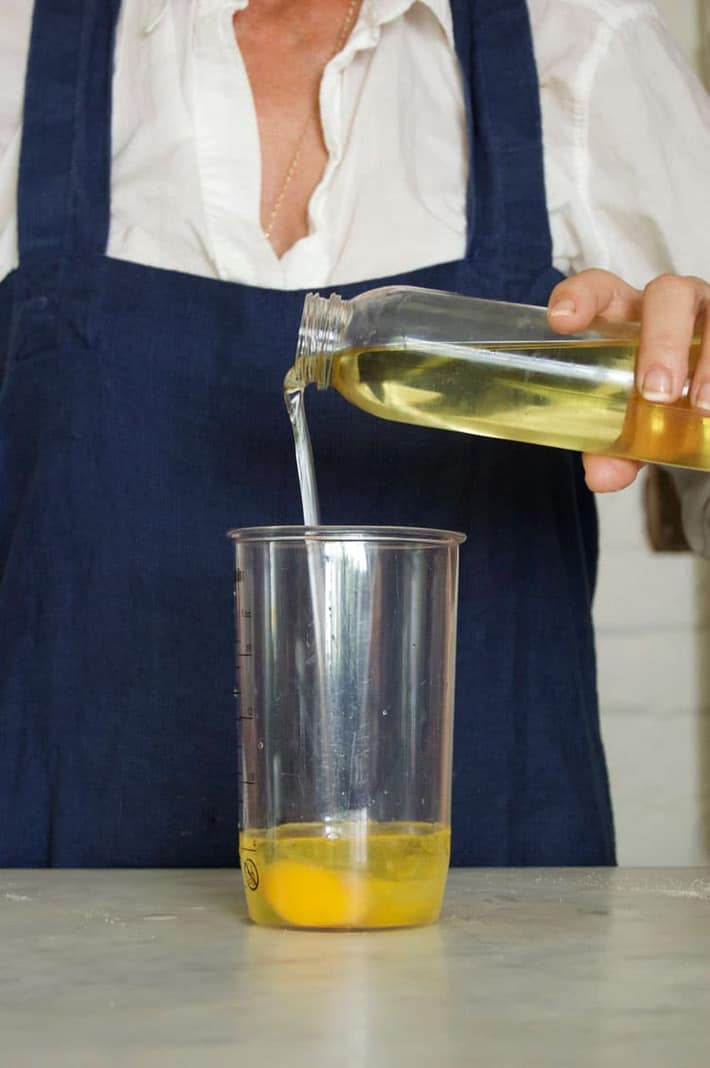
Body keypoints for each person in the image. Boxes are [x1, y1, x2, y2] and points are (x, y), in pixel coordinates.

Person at [0, 0, 708, 867]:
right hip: (58, 921)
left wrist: (688, 382)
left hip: (496, 921)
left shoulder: (587, 48)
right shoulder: (17, 48)